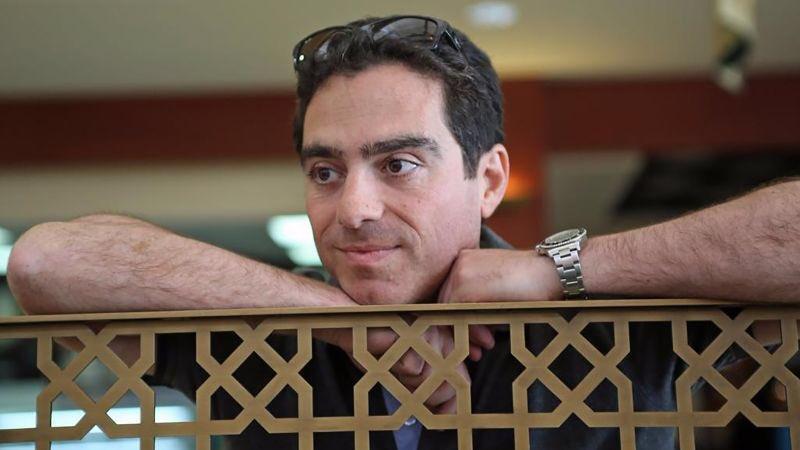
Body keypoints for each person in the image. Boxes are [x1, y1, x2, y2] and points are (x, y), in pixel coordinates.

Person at [7, 14, 800, 450]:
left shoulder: (602, 319)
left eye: (399, 165)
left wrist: (558, 270)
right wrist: (340, 323)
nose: (353, 208)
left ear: (490, 179)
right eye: (326, 171)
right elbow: (46, 263)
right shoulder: (257, 338)